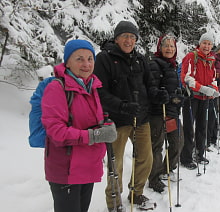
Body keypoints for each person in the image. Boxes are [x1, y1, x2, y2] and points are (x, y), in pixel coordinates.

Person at [94, 21, 168, 211]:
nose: (129, 40)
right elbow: (100, 92)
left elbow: (149, 84)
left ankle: (136, 193)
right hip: (116, 121)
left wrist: (156, 94)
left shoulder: (140, 59)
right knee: (115, 164)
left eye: (132, 37)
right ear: (117, 38)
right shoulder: (104, 59)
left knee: (146, 158)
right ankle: (114, 202)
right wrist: (122, 106)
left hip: (141, 118)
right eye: (125, 36)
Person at [41, 39, 117, 212]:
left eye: (90, 59)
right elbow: (56, 132)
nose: (86, 64)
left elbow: (92, 120)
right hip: (66, 170)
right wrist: (94, 136)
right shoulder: (57, 88)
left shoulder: (92, 86)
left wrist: (106, 124)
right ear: (67, 62)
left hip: (88, 165)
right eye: (79, 59)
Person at [148, 34, 184, 193]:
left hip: (172, 110)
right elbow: (150, 89)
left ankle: (167, 169)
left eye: (172, 46)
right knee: (157, 146)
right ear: (160, 48)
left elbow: (172, 88)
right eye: (166, 46)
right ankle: (153, 178)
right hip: (158, 112)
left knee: (178, 142)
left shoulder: (173, 65)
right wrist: (161, 96)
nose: (169, 49)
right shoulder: (154, 64)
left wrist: (180, 95)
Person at [180, 32, 220, 169]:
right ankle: (185, 157)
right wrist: (202, 88)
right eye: (205, 43)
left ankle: (199, 152)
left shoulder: (211, 60)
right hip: (191, 97)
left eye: (209, 44)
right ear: (200, 43)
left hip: (205, 98)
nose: (207, 46)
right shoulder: (192, 57)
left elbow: (214, 77)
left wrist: (213, 88)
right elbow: (186, 77)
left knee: (203, 126)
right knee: (189, 128)